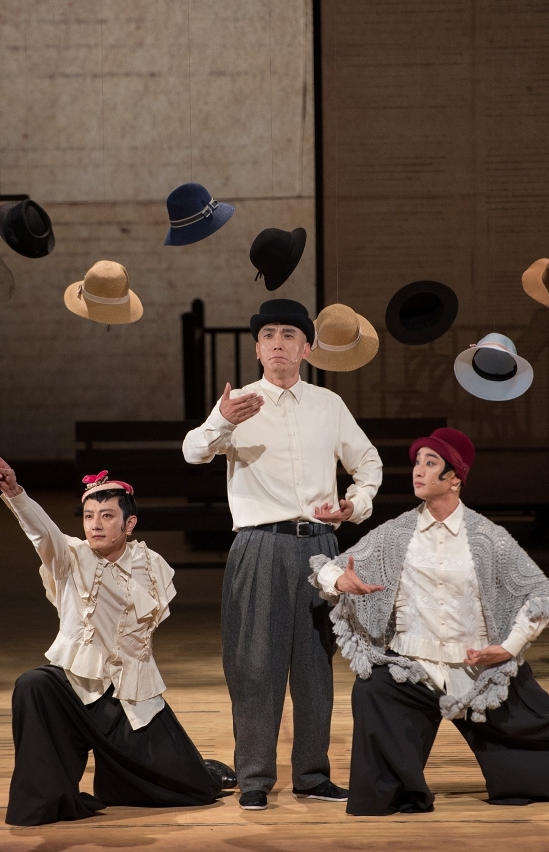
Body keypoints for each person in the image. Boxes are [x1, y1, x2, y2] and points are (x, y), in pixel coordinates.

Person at [309, 428, 549, 815]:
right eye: (417, 462)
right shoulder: (396, 534)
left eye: (430, 463)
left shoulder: (486, 538)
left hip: (478, 668)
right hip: (414, 668)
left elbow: (539, 597)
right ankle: (399, 790)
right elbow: (328, 569)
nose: (418, 470)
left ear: (454, 478)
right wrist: (340, 581)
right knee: (373, 690)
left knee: (545, 721)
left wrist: (508, 648)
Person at [182, 299, 383, 810]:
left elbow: (368, 463)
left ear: (306, 349)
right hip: (259, 544)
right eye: (268, 335)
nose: (278, 343)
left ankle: (312, 775)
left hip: (320, 546)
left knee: (315, 665)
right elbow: (193, 452)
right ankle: (253, 777)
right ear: (256, 349)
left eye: (289, 335)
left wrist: (354, 505)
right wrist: (221, 421)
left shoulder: (327, 404)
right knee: (254, 663)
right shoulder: (237, 403)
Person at [0, 447, 236, 826]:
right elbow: (41, 533)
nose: (95, 525)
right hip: (75, 687)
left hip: (128, 693)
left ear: (129, 523)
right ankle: (46, 799)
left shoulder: (152, 565)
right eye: (89, 516)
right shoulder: (69, 556)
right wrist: (15, 492)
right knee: (33, 684)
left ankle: (201, 768)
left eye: (106, 516)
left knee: (192, 789)